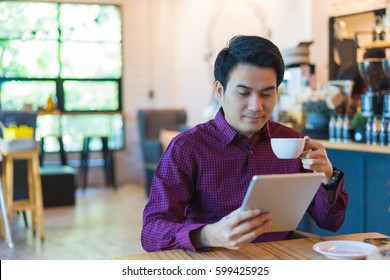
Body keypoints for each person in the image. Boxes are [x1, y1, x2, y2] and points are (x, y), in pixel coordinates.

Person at [141, 35, 348, 252]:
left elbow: (331, 222)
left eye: (267, 93)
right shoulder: (188, 148)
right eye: (244, 93)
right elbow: (151, 232)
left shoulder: (291, 143)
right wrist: (208, 234)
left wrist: (327, 176)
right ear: (220, 91)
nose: (256, 106)